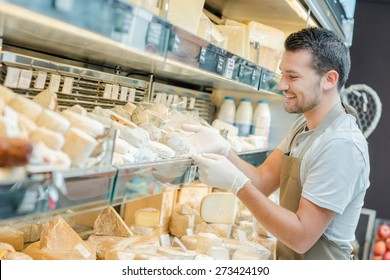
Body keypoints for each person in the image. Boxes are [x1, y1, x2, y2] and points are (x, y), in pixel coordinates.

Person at [182, 27, 370, 260]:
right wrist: (224, 150)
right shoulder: (303, 126)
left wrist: (237, 184)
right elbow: (262, 182)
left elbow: (301, 237)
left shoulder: (341, 145)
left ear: (329, 80)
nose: (281, 85)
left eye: (293, 77)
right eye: (282, 74)